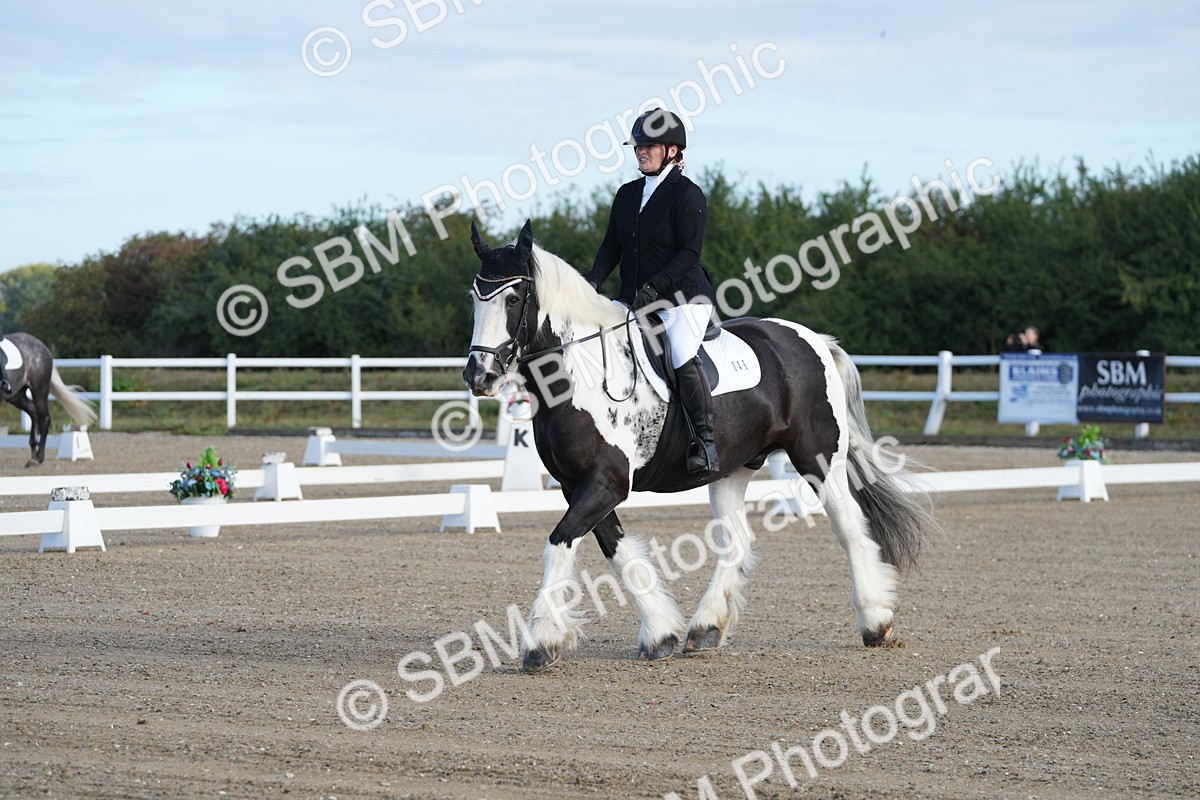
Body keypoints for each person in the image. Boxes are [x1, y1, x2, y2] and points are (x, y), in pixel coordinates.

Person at [585, 108, 719, 480]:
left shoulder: (687, 195)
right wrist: (590, 286)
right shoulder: (628, 195)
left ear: (673, 150)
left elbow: (689, 253)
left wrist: (654, 286)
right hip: (635, 298)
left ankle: (705, 443)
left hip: (681, 300)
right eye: (638, 146)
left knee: (679, 351)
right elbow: (611, 247)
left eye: (649, 146)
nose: (640, 151)